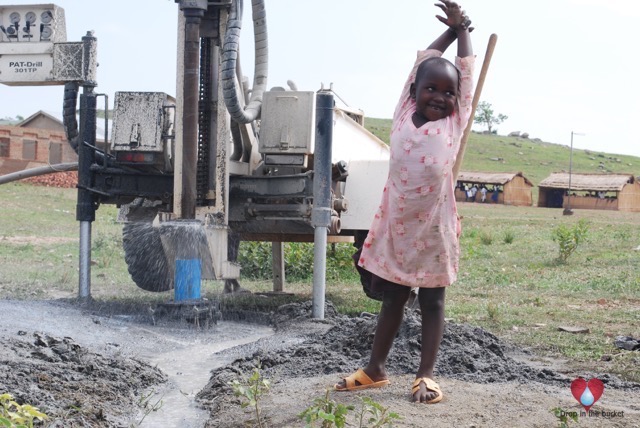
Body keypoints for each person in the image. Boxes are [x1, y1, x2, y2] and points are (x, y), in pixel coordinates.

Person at [334, 0, 474, 404]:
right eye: (431, 88)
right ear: (413, 92)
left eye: (449, 93)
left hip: (434, 226)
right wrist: (448, 30)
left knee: (432, 299)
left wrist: (464, 30)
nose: (440, 96)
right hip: (396, 223)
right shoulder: (403, 113)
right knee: (393, 296)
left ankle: (425, 377)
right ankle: (376, 369)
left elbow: (464, 71)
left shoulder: (453, 123)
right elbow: (425, 62)